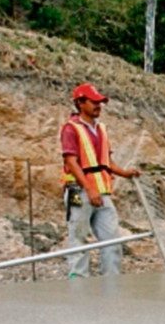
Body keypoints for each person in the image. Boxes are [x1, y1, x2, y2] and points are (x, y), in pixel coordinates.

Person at [60, 83, 140, 278]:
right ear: (80, 102)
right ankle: (78, 284)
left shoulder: (101, 129)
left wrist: (124, 173)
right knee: (78, 238)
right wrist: (89, 189)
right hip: (79, 191)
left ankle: (111, 284)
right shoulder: (71, 129)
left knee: (112, 240)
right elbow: (71, 162)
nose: (98, 105)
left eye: (100, 102)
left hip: (102, 192)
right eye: (93, 101)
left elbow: (106, 161)